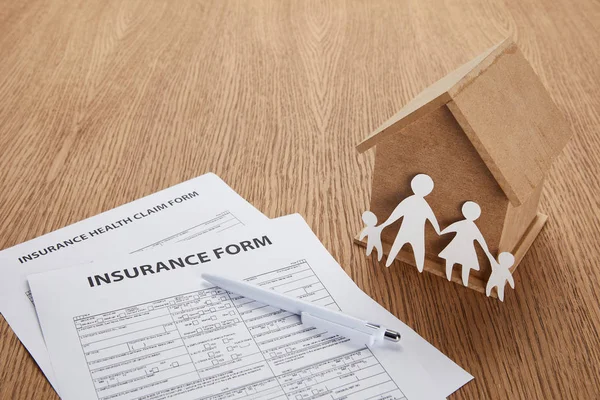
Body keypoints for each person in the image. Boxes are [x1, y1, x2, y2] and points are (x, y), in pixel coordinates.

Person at [379, 174, 440, 271]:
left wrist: (385, 224)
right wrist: (438, 231)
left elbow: (395, 215)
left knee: (406, 248)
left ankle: (418, 267)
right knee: (413, 249)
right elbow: (432, 219)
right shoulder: (422, 204)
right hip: (413, 232)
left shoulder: (412, 201)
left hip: (411, 231)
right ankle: (418, 268)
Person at [439, 201, 492, 286]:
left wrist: (441, 232)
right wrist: (486, 250)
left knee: (457, 261)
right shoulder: (469, 226)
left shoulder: (466, 225)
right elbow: (480, 239)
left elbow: (480, 239)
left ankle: (462, 279)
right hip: (463, 247)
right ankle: (454, 277)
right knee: (457, 261)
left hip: (462, 247)